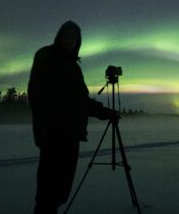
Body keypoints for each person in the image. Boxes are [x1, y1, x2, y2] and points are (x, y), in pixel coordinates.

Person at [28, 20, 117, 214]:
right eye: (67, 36)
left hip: (71, 135)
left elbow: (81, 101)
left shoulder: (73, 67)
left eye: (74, 37)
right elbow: (37, 94)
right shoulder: (46, 56)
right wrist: (45, 130)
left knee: (60, 192)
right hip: (54, 136)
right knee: (47, 193)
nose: (70, 40)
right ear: (59, 36)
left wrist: (105, 113)